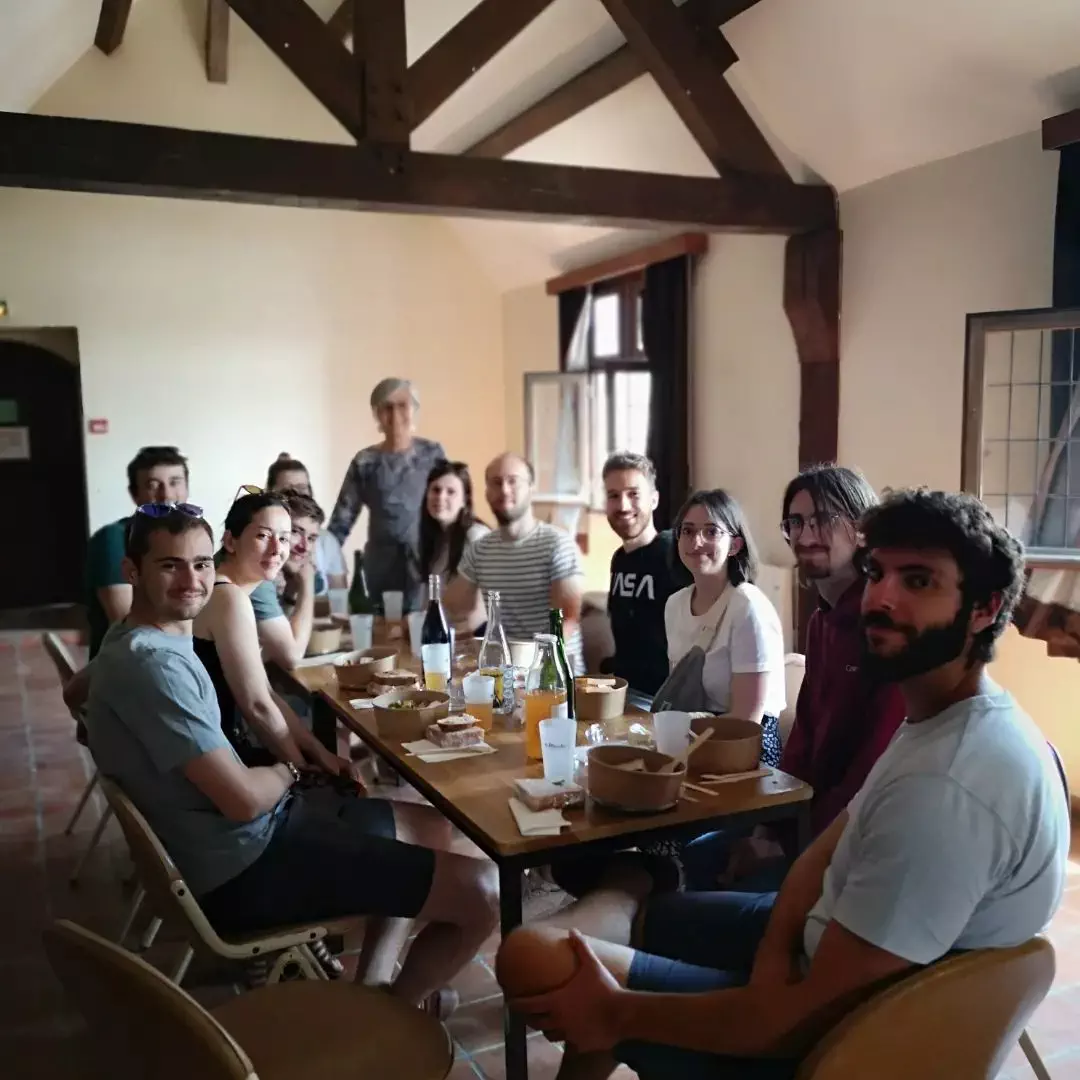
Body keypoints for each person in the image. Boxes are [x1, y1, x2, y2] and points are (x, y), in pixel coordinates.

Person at [494, 488, 1069, 1080]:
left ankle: (621, 981)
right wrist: (773, 953)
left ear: (983, 608)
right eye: (878, 573)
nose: (882, 597)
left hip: (830, 1046)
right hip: (821, 943)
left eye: (919, 581)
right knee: (600, 942)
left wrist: (620, 1015)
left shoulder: (947, 789)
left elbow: (785, 1025)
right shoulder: (941, 715)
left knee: (534, 958)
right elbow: (826, 850)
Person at [83, 505, 499, 1007]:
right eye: (170, 565)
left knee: (427, 827)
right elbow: (240, 799)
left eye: (200, 564)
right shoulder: (156, 665)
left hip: (245, 837)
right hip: (245, 866)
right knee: (485, 891)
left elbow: (76, 692)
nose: (192, 580)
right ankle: (393, 1016)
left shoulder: (130, 640)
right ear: (132, 572)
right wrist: (288, 769)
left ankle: (372, 990)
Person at [681, 464, 907, 891]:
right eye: (796, 523)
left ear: (861, 529)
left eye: (823, 519)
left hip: (850, 839)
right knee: (697, 855)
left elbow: (873, 768)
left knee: (684, 904)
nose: (805, 535)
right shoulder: (823, 622)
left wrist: (793, 845)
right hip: (803, 815)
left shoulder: (881, 625)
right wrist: (769, 828)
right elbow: (803, 737)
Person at [192, 491, 341, 774]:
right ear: (230, 541)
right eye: (263, 536)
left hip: (216, 750)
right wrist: (302, 772)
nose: (277, 550)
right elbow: (257, 706)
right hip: (219, 762)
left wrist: (320, 754)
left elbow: (266, 694)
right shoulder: (228, 598)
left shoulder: (229, 589)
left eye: (284, 538)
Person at [659, 490, 786, 766]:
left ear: (735, 545)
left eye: (711, 531)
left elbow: (745, 721)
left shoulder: (748, 607)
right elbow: (681, 695)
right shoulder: (674, 605)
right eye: (688, 531)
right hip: (693, 741)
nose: (697, 541)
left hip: (746, 751)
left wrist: (681, 740)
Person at [445, 453, 585, 673]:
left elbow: (566, 621)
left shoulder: (558, 544)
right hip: (505, 676)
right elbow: (453, 605)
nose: (504, 490)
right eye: (496, 482)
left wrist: (532, 673)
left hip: (555, 676)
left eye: (513, 481)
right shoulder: (480, 549)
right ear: (486, 492)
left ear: (531, 487)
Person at [327, 379, 446, 613]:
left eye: (403, 405)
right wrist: (319, 562)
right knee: (381, 634)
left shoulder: (433, 454)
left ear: (415, 410)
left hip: (426, 565)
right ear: (376, 415)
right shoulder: (365, 461)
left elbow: (452, 506)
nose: (395, 414)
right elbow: (341, 521)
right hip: (379, 568)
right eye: (386, 407)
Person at [84, 446, 189, 658]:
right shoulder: (114, 539)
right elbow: (127, 623)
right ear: (135, 494)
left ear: (186, 488)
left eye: (175, 482)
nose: (166, 494)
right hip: (129, 665)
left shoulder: (188, 540)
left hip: (172, 654)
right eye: (153, 485)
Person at [600, 452, 690, 697]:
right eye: (613, 496)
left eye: (633, 494)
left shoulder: (676, 551)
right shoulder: (619, 560)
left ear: (654, 499)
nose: (623, 505)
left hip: (667, 702)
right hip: (624, 695)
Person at [266, 453, 347, 594]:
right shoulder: (261, 540)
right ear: (270, 492)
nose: (296, 496)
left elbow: (340, 599)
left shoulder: (327, 541)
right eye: (287, 491)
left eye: (302, 489)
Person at [418, 460, 489, 585]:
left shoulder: (476, 537)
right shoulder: (435, 539)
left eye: (451, 492)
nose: (440, 497)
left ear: (464, 501)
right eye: (436, 490)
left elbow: (494, 594)